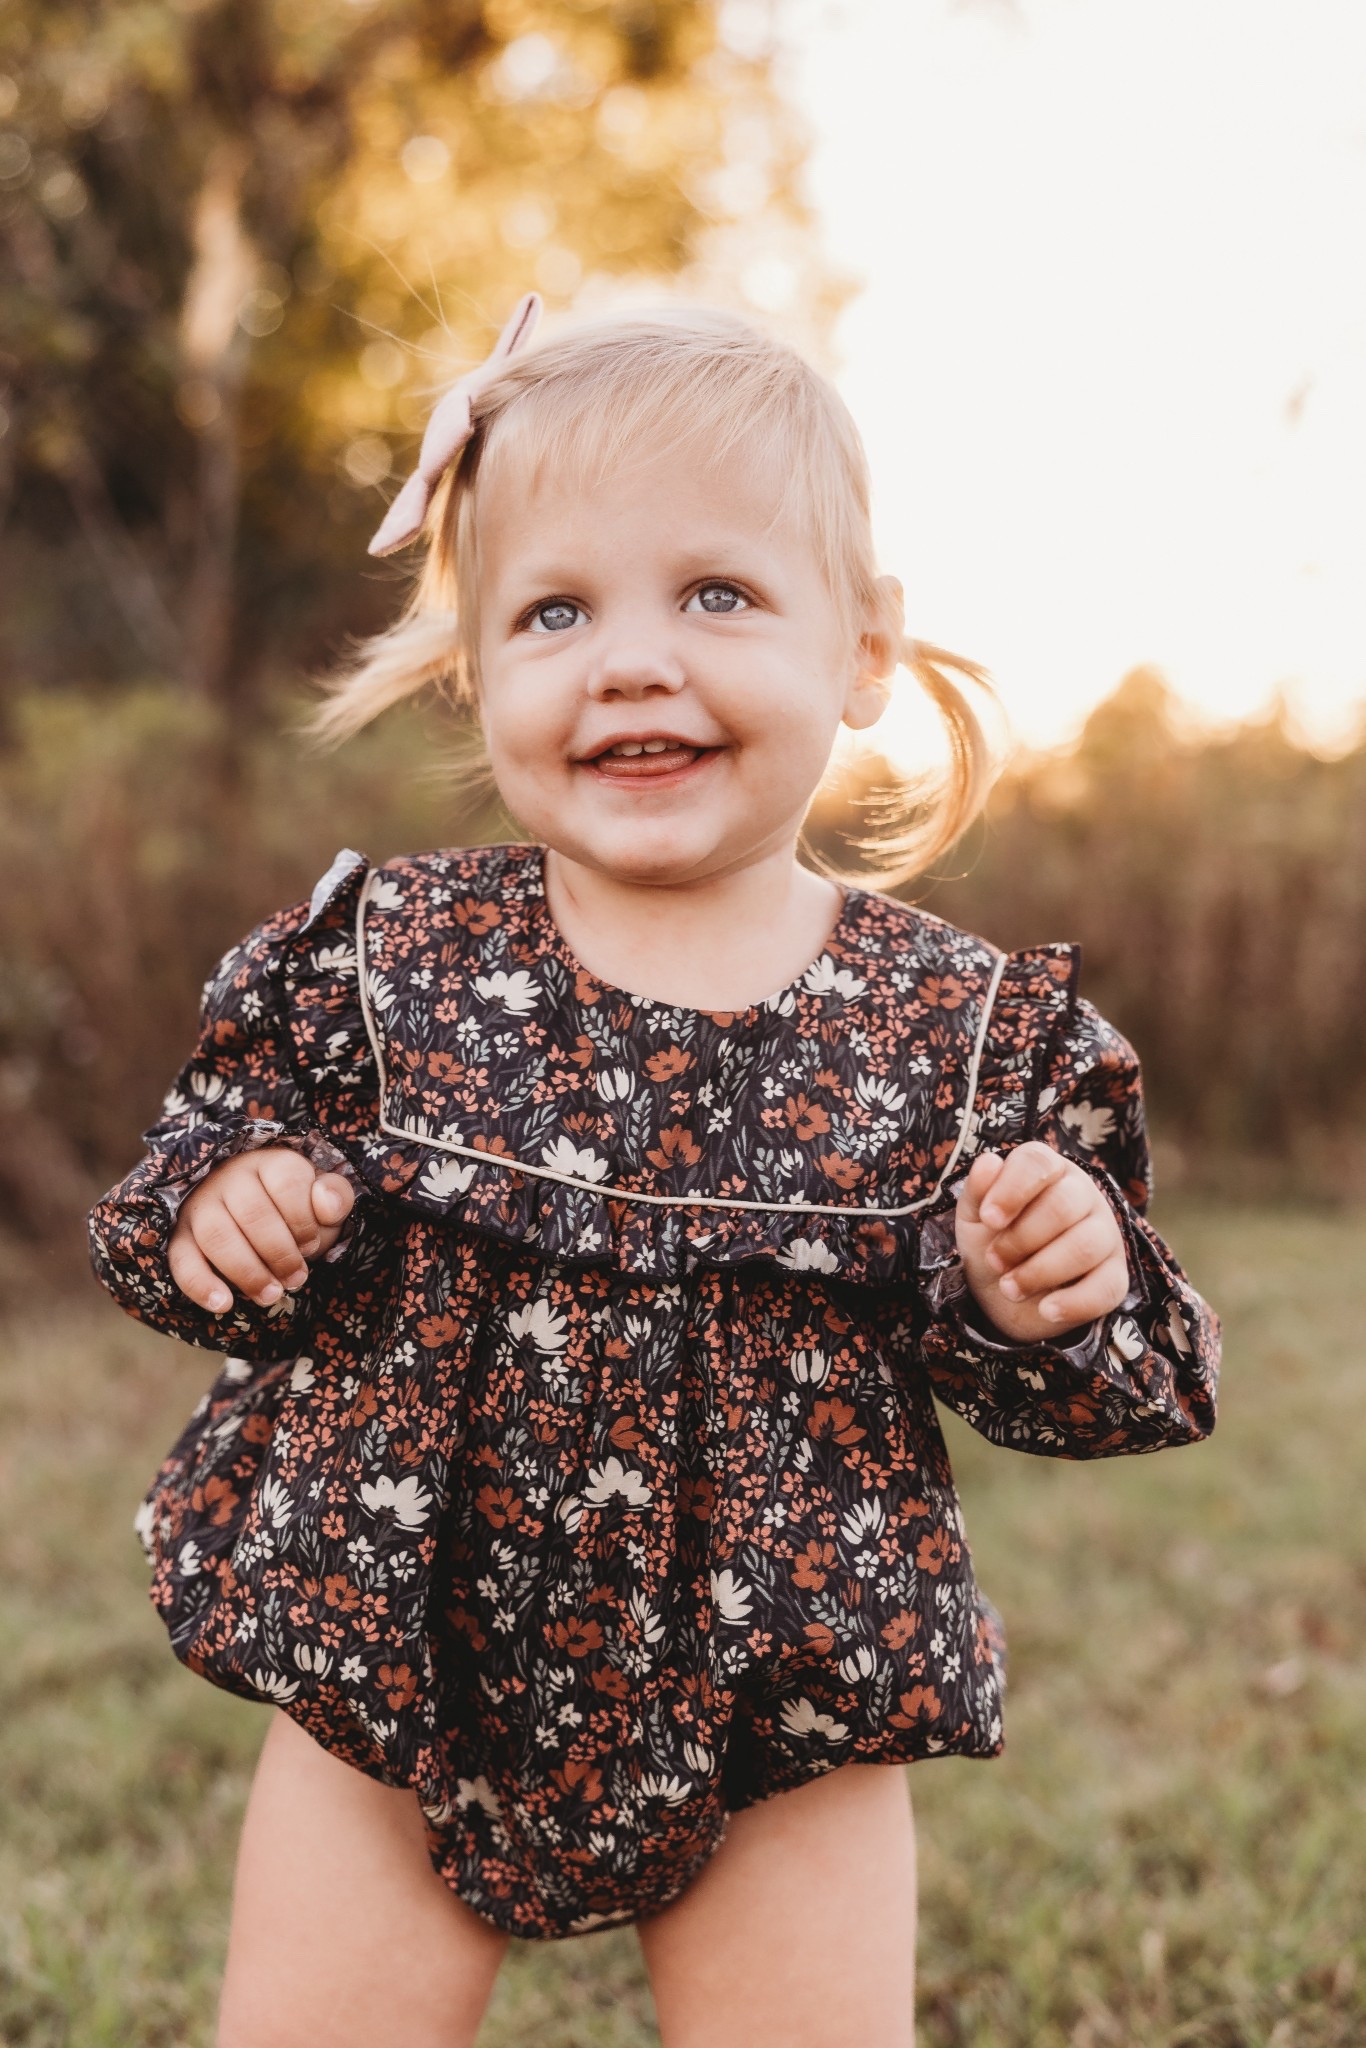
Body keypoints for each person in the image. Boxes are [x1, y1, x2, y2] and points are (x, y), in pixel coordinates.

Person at [88, 290, 1220, 2048]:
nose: (630, 659)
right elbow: (180, 1196)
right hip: (394, 1651)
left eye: (716, 594)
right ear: (480, 665)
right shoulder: (389, 962)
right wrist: (232, 1208)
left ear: (860, 647)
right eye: (554, 609)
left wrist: (1048, 1288)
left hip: (787, 1681)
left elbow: (1123, 1378)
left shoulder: (952, 1031)